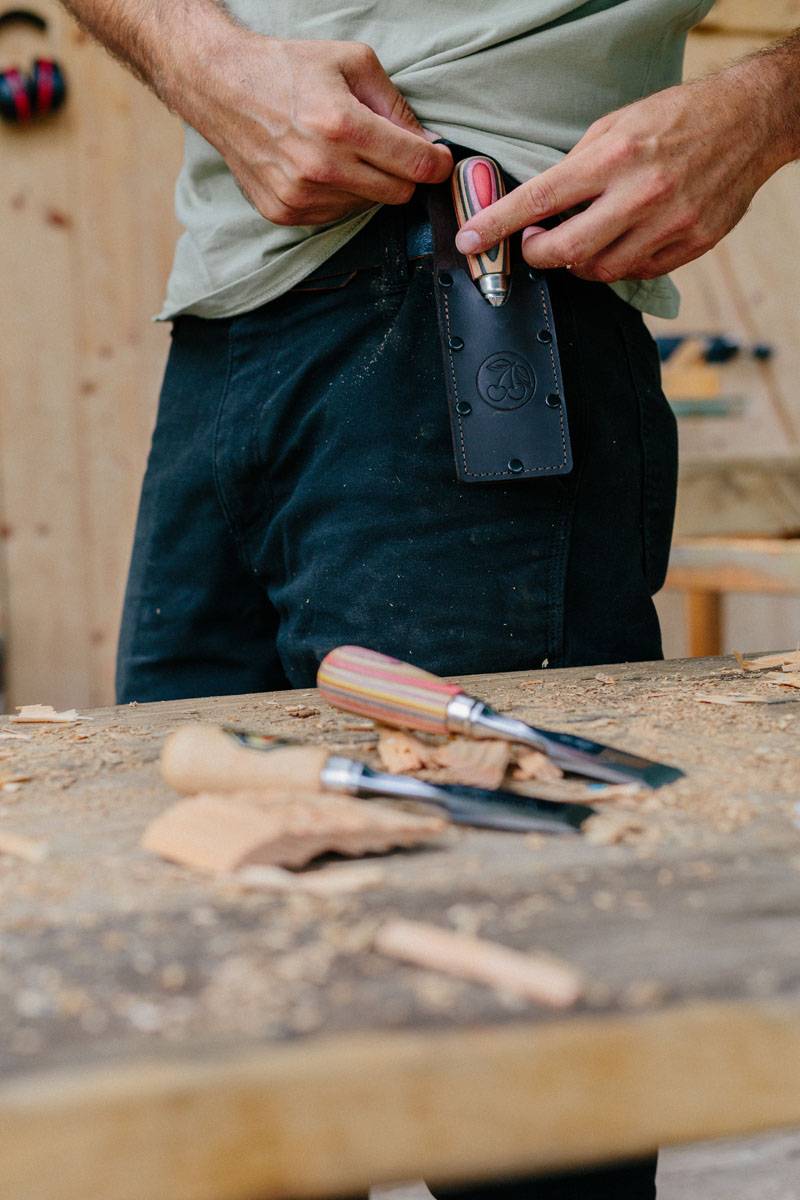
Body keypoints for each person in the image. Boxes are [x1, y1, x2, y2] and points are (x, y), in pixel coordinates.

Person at [59, 2, 800, 1196]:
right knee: (210, 1014)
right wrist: (201, 54)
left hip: (487, 287)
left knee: (516, 1062)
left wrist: (764, 103)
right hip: (225, 319)